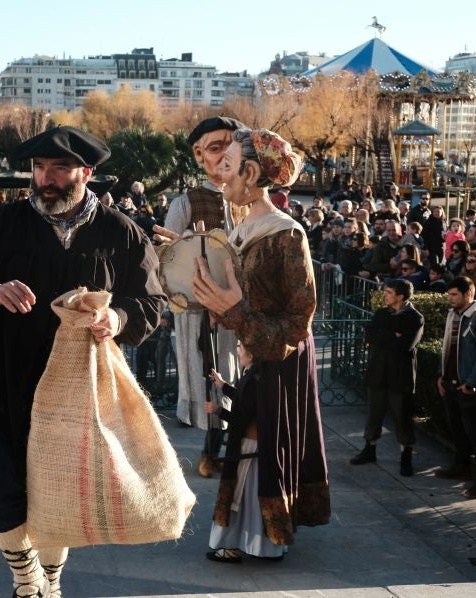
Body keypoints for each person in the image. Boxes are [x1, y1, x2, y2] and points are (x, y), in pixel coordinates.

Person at [0, 125, 165, 597]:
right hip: (1, 384)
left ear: (85, 172)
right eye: (40, 168)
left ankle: (53, 580)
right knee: (0, 491)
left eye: (59, 169)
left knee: (57, 495)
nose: (46, 178)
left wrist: (116, 318)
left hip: (77, 391)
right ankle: (26, 579)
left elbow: (150, 302)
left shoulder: (120, 232)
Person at [190, 128, 331, 560]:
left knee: (259, 441)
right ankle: (236, 535)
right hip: (251, 351)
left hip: (280, 359)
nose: (218, 173)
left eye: (227, 166)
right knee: (244, 440)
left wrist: (236, 314)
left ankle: (262, 539)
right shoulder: (241, 228)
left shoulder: (287, 234)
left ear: (250, 172)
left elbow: (297, 321)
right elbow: (232, 299)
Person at [161, 116, 244, 478]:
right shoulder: (187, 202)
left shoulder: (250, 200)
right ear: (199, 155)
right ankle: (213, 446)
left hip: (242, 309)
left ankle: (235, 440)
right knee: (210, 372)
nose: (225, 154)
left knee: (237, 373)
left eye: (232, 145)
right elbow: (168, 260)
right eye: (215, 147)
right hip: (197, 309)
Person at [204, 340, 286, 561]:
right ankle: (267, 547)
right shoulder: (262, 375)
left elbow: (241, 417)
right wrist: (223, 386)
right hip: (262, 448)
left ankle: (230, 546)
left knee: (240, 499)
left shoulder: (254, 379)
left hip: (250, 448)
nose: (237, 351)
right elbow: (245, 400)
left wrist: (218, 410)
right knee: (257, 498)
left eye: (240, 348)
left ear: (250, 355)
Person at [349, 280, 424, 476]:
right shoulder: (381, 313)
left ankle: (406, 458)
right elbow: (369, 335)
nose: (385, 295)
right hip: (377, 373)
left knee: (402, 418)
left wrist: (385, 336)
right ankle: (369, 450)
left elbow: (406, 345)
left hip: (400, 376)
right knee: (374, 414)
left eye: (389, 292)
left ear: (400, 296)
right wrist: (393, 335)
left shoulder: (415, 318)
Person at [435, 276, 476, 497]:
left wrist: (471, 384)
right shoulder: (453, 314)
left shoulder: (475, 317)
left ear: (468, 293)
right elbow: (446, 347)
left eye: (454, 295)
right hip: (450, 384)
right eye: (449, 294)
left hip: (468, 388)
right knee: (457, 431)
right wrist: (440, 375)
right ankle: (460, 466)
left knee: (474, 434)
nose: (450, 299)